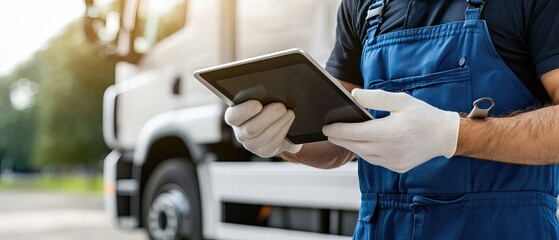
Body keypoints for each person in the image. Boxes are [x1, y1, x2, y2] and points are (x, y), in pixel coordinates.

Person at [224, 0, 559, 238]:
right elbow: (337, 142)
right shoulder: (362, 7)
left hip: (504, 227)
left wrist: (452, 134)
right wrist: (286, 140)